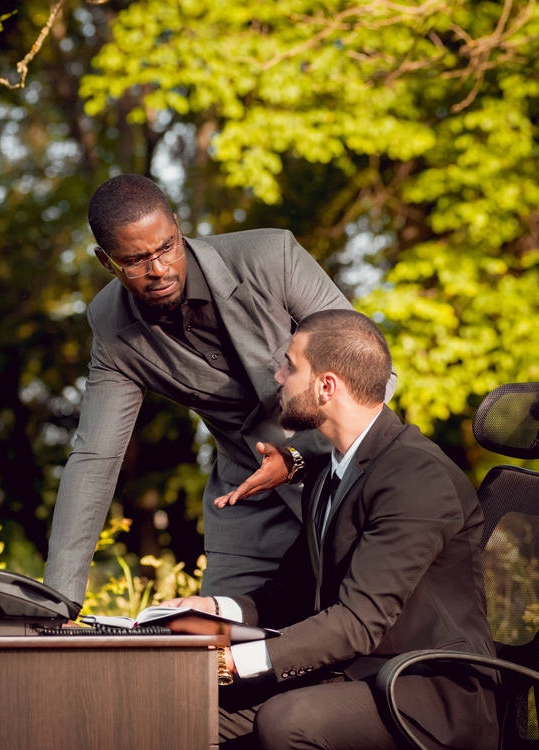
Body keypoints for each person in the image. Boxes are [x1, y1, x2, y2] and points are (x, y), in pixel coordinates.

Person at [43, 174, 394, 605]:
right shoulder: (112, 327)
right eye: (135, 261)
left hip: (346, 477)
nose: (159, 270)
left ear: (177, 226)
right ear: (106, 261)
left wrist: (299, 459)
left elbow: (373, 373)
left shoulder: (270, 257)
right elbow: (94, 458)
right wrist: (58, 601)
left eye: (166, 247)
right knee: (212, 646)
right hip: (246, 500)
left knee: (351, 631)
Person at [164, 309, 498, 750]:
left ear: (326, 386)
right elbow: (291, 591)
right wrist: (213, 610)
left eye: (290, 365)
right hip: (355, 672)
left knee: (288, 721)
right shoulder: (329, 472)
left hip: (426, 689)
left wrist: (232, 661)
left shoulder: (416, 478)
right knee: (185, 705)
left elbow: (359, 621)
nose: (279, 377)